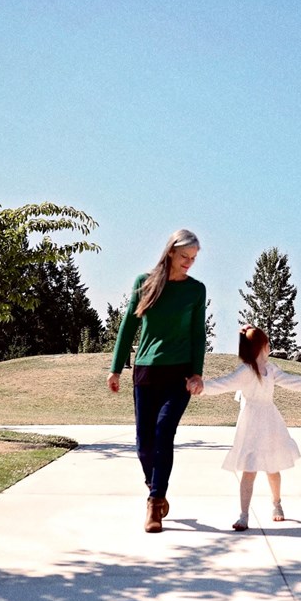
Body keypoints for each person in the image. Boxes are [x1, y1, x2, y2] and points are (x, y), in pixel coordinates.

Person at [107, 229, 206, 534]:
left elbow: (197, 335)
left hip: (178, 375)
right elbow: (127, 327)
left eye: (194, 258)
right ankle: (155, 484)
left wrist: (197, 372)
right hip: (146, 371)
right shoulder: (145, 282)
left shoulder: (196, 290)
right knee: (143, 446)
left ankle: (154, 503)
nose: (189, 263)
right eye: (185, 256)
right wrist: (116, 368)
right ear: (171, 252)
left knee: (164, 433)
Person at [198, 325, 301, 531]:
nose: (269, 348)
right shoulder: (246, 371)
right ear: (262, 347)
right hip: (250, 424)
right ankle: (244, 515)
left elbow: (289, 381)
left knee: (272, 467)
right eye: (267, 344)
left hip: (270, 422)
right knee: (249, 469)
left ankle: (277, 504)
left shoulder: (271, 369)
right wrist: (203, 387)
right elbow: (225, 383)